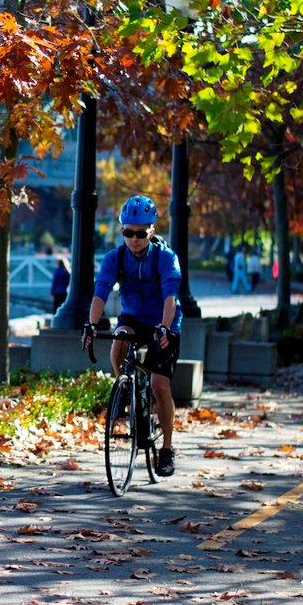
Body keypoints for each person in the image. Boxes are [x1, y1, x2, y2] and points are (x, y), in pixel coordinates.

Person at [80, 195, 182, 477]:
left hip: (165, 320)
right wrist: (91, 324)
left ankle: (166, 450)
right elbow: (100, 292)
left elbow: (171, 297)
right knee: (117, 345)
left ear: (151, 230)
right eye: (128, 232)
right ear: (122, 229)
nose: (134, 239)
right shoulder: (116, 258)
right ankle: (125, 390)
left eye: (140, 233)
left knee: (160, 384)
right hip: (134, 318)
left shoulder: (166, 258)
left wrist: (164, 328)